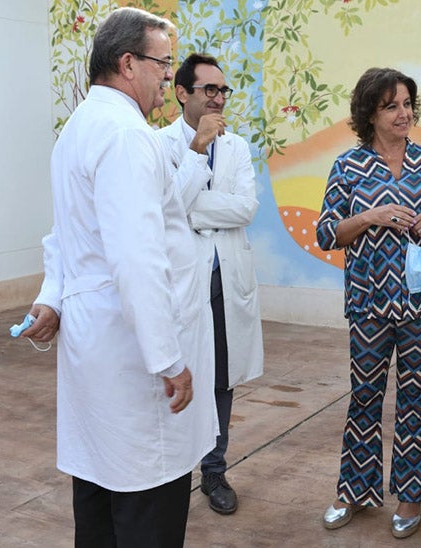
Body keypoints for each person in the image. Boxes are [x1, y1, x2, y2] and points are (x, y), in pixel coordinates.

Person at [21, 7, 218, 547]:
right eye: (163, 64)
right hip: (134, 358)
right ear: (128, 63)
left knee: (99, 501)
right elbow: (137, 258)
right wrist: (167, 358)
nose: (167, 79)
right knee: (145, 503)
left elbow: (65, 238)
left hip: (95, 347)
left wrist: (52, 299)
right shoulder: (127, 136)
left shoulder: (78, 130)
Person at [316, 67, 421, 539]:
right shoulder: (348, 167)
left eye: (407, 105)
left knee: (415, 396)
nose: (403, 114)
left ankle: (411, 495)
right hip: (368, 300)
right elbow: (327, 233)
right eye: (391, 106)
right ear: (370, 113)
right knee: (364, 394)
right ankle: (354, 491)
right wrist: (371, 216)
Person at [157, 53, 264, 516]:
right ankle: (172, 470)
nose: (219, 99)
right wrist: (197, 153)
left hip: (226, 274)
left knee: (220, 373)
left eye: (224, 91)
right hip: (181, 279)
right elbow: (166, 210)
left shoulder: (237, 146)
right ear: (183, 93)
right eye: (209, 90)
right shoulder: (159, 145)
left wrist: (192, 208)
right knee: (178, 370)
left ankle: (214, 471)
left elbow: (245, 209)